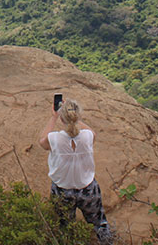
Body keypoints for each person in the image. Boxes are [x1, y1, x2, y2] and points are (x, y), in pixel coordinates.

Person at [38, 97, 114, 245]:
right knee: (99, 224)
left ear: (62, 119)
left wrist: (54, 117)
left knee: (65, 229)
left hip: (62, 190)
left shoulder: (55, 139)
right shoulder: (87, 136)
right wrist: (75, 118)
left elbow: (42, 142)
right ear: (78, 116)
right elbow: (93, 133)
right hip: (87, 189)